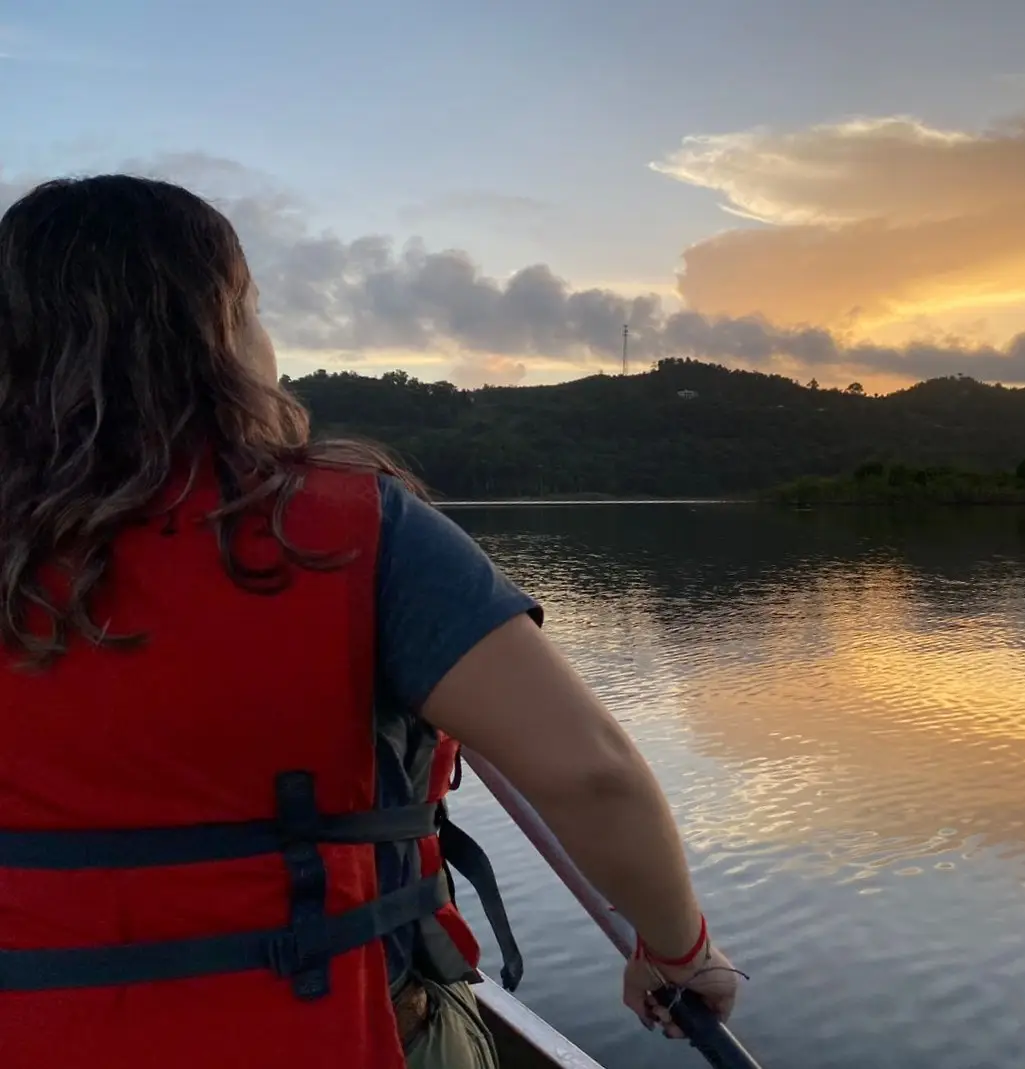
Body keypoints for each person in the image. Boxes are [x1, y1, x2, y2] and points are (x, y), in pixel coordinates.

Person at [0, 175, 740, 1069]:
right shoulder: (348, 530)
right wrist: (677, 949)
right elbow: (593, 773)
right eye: (255, 310)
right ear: (218, 335)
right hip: (334, 1030)